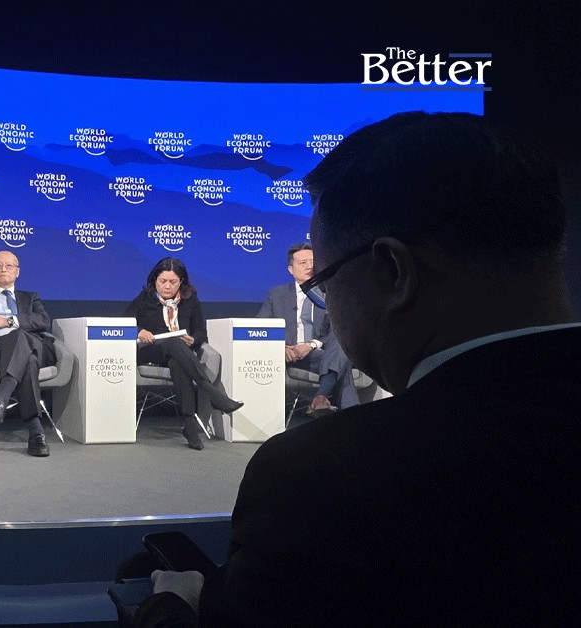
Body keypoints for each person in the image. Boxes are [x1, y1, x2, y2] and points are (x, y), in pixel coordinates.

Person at [132, 112, 579, 626]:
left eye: (323, 282)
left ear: (392, 271)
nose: (324, 299)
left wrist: (172, 606)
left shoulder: (321, 474)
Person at [124, 257, 243, 450]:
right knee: (172, 341)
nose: (167, 286)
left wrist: (193, 340)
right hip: (151, 351)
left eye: (173, 282)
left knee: (177, 363)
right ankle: (211, 392)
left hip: (179, 355)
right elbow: (123, 324)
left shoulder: (190, 300)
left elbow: (200, 332)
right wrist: (139, 331)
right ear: (155, 280)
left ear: (181, 282)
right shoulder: (145, 298)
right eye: (163, 281)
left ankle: (189, 427)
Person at [0, 250, 58, 457]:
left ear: (17, 272)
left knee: (20, 337)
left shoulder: (30, 298)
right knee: (28, 361)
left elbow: (43, 321)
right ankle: (36, 433)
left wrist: (7, 321)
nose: (4, 269)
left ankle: (1, 399)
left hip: (34, 345)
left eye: (9, 266)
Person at [257, 242, 359, 420]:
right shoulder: (277, 294)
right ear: (291, 269)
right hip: (290, 355)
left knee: (340, 339)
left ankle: (320, 398)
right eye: (303, 263)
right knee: (342, 365)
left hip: (321, 353)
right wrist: (280, 348)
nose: (309, 267)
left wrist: (311, 345)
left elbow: (335, 330)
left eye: (312, 262)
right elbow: (260, 327)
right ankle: (349, 417)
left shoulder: (329, 293)